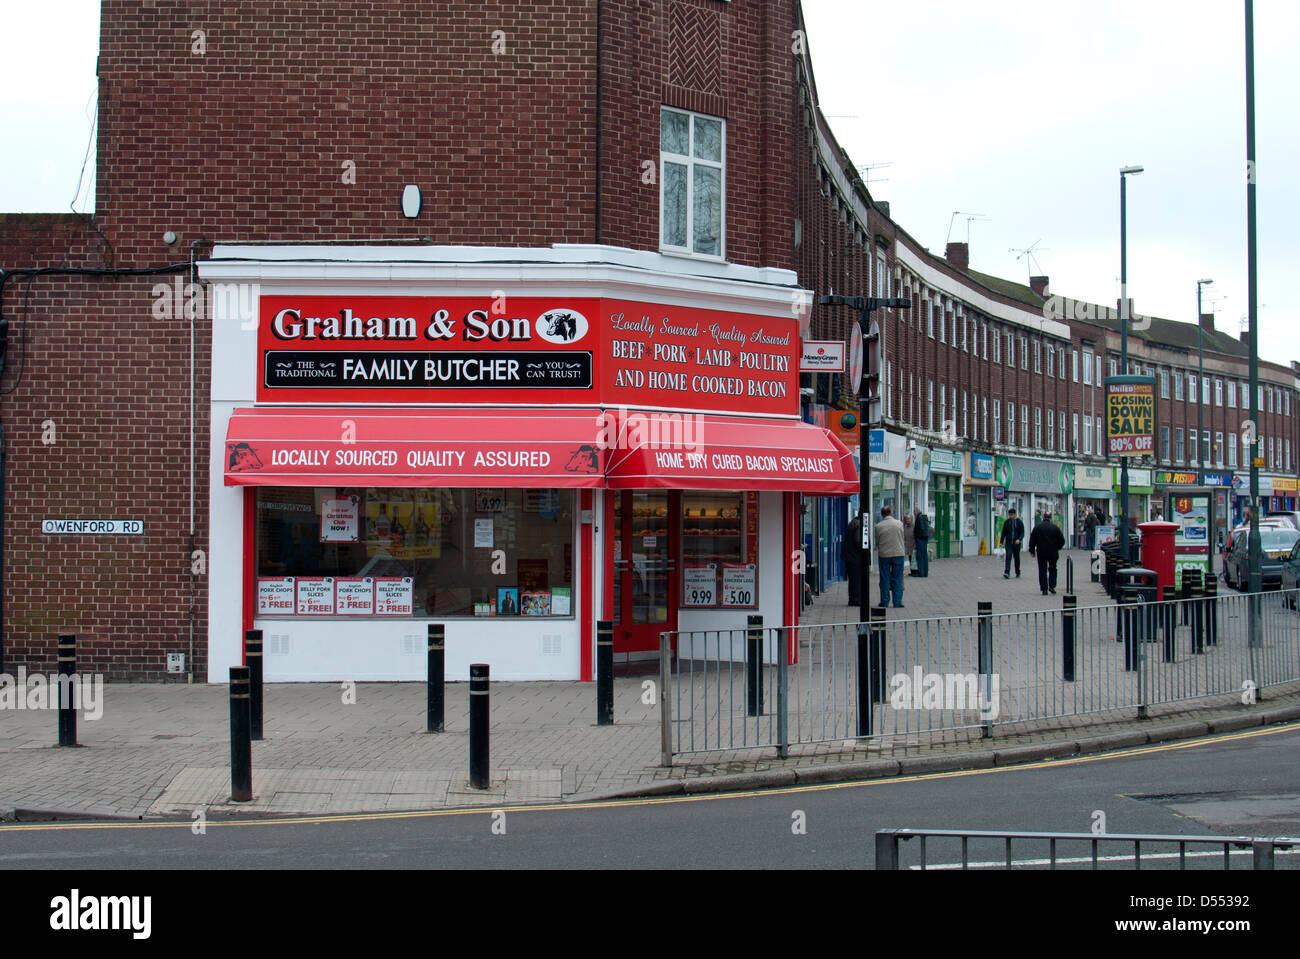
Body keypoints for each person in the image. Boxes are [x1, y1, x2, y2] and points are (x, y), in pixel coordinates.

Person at [874, 505, 906, 609]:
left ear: (882, 514)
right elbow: (902, 537)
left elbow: (877, 541)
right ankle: (897, 602)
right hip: (898, 553)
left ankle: (884, 601)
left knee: (884, 578)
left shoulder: (878, 526)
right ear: (891, 513)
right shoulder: (899, 524)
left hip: (884, 554)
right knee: (897, 578)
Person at [1028, 510, 1067, 595]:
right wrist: (1057, 547)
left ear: (1043, 517)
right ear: (1050, 518)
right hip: (1053, 552)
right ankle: (1052, 586)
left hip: (1041, 552)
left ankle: (1044, 589)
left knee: (1042, 569)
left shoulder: (1037, 527)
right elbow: (1062, 540)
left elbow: (1032, 540)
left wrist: (1032, 550)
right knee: (1053, 568)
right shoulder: (1055, 528)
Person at [843, 511, 863, 606]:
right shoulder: (859, 525)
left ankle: (853, 598)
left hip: (850, 556)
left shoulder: (852, 523)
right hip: (855, 557)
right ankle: (856, 599)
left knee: (853, 580)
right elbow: (858, 541)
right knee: (856, 579)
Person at [1001, 508, 1025, 579]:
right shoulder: (1007, 522)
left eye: (1012, 515)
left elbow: (1022, 532)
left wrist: (1019, 539)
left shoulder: (1019, 522)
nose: (1011, 516)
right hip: (1008, 542)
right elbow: (1003, 532)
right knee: (1008, 557)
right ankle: (1007, 572)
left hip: (1016, 543)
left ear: (1015, 515)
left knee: (1016, 558)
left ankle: (1017, 572)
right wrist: (1001, 542)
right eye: (1010, 515)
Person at [912, 507, 932, 577]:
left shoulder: (919, 518)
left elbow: (920, 529)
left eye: (914, 512)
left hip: (920, 539)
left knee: (920, 556)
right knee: (924, 555)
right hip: (925, 538)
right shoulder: (924, 517)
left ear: (916, 512)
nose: (914, 513)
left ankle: (921, 572)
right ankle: (925, 572)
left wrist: (916, 537)